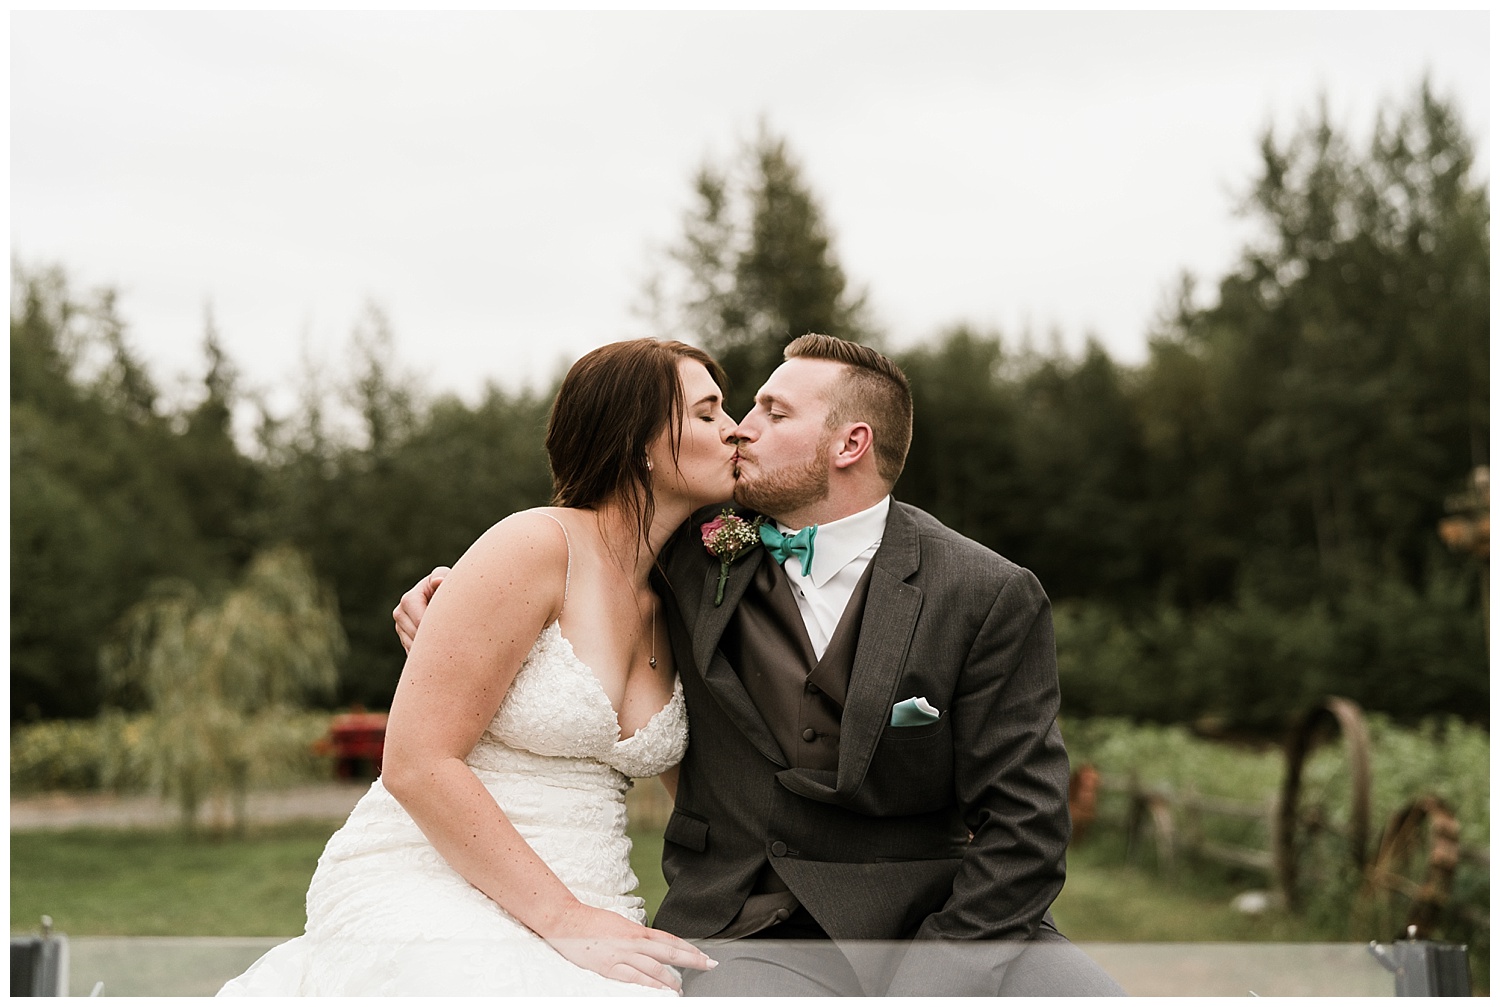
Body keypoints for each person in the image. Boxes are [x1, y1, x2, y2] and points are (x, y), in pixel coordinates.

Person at [395, 334, 1125, 996]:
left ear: (850, 444)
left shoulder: (985, 591)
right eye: (729, 410)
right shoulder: (693, 551)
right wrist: (447, 599)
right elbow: (582, 556)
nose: (741, 427)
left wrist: (937, 978)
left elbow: (1026, 824)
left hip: (944, 917)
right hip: (750, 921)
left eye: (772, 413)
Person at [218, 339, 727, 996]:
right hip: (434, 874)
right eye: (710, 412)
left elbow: (711, 802)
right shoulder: (536, 545)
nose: (736, 430)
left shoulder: (686, 595)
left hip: (593, 888)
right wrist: (565, 921)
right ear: (640, 442)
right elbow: (416, 763)